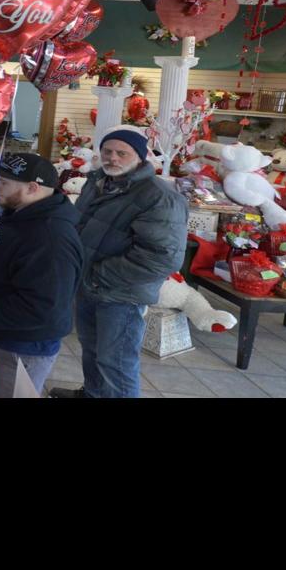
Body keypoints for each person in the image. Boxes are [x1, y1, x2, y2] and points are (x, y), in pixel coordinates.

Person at [48, 128, 188, 399]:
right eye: (108, 152)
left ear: (140, 156)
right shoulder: (96, 182)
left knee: (117, 361)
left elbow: (162, 258)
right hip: (89, 284)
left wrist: (99, 273)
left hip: (121, 293)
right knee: (91, 348)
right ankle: (92, 393)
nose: (113, 158)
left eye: (122, 153)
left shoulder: (159, 197)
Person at [0, 153, 82, 398]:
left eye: (4, 182)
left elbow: (43, 307)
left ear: (33, 188)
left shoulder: (51, 238)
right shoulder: (18, 214)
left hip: (17, 348)